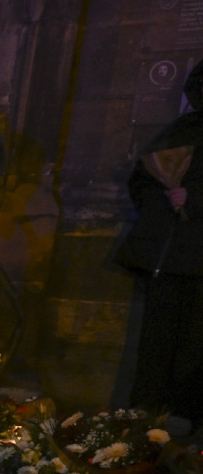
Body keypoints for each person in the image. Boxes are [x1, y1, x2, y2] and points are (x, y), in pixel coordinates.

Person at [117, 61, 203, 430]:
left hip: (194, 259)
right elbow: (143, 180)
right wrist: (166, 200)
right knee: (156, 346)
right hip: (169, 260)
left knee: (193, 350)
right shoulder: (183, 129)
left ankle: (184, 425)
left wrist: (195, 199)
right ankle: (142, 425)